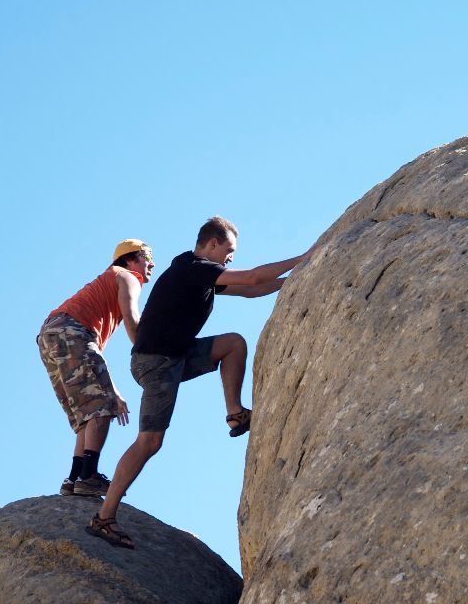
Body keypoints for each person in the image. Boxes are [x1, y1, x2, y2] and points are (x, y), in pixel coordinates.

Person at [87, 216, 310, 549]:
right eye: (229, 251)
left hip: (175, 355)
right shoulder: (194, 267)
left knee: (233, 343)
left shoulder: (200, 274)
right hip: (157, 363)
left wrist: (294, 280)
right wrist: (306, 257)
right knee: (150, 442)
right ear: (213, 244)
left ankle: (235, 413)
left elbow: (250, 290)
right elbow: (251, 277)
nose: (231, 258)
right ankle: (104, 517)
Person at [38, 239, 155, 498]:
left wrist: (114, 391)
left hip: (51, 333)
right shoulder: (127, 276)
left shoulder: (110, 277)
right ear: (131, 259)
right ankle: (88, 476)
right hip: (74, 330)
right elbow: (133, 320)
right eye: (147, 257)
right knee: (101, 408)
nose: (151, 263)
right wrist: (148, 354)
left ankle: (74, 478)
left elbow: (94, 360)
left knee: (87, 415)